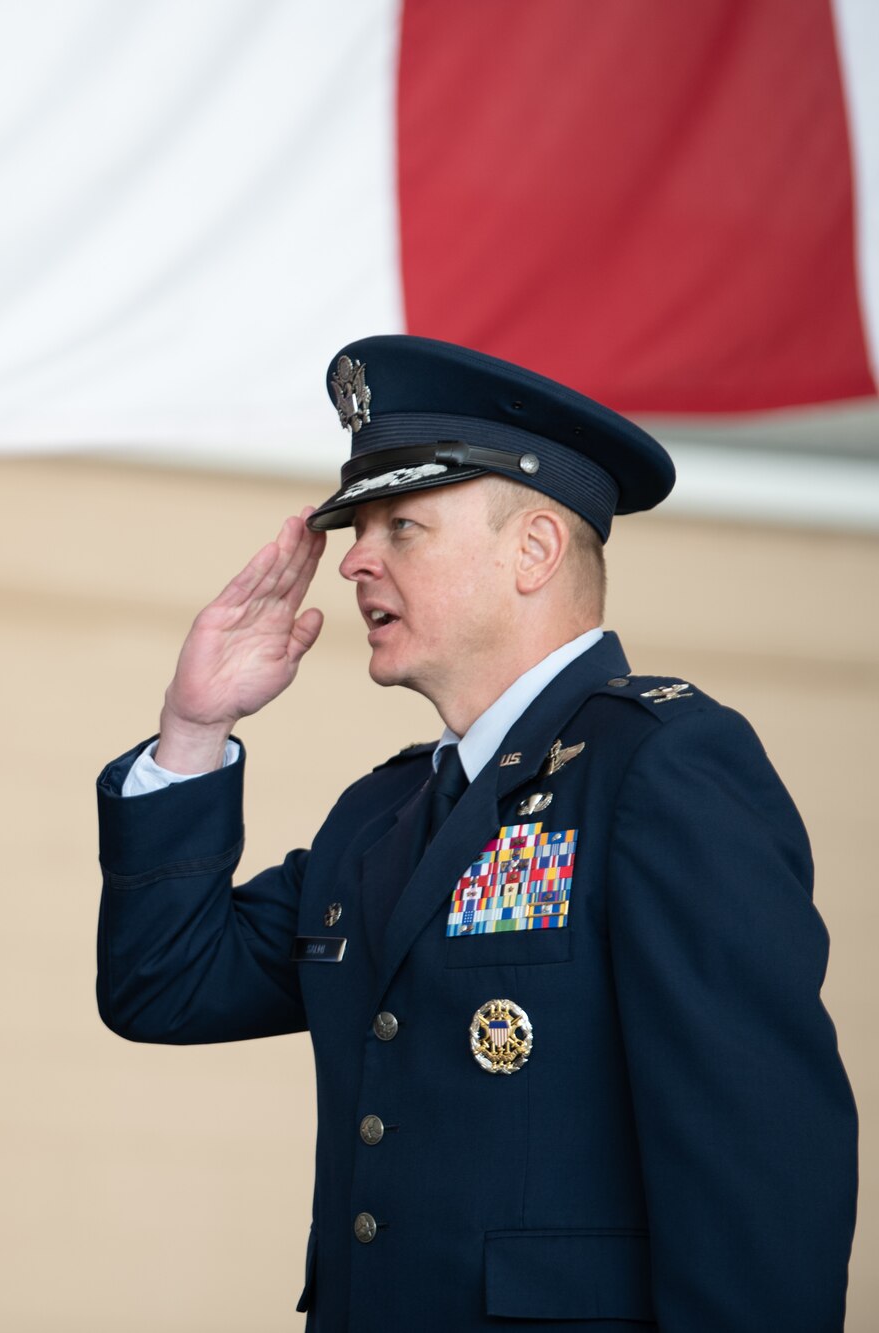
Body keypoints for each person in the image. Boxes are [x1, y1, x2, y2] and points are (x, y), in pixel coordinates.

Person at [94, 335, 856, 1331]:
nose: (354, 560)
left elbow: (758, 1167)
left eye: (400, 525)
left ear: (532, 550)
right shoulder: (384, 814)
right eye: (355, 529)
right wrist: (194, 730)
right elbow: (163, 984)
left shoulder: (661, 769)